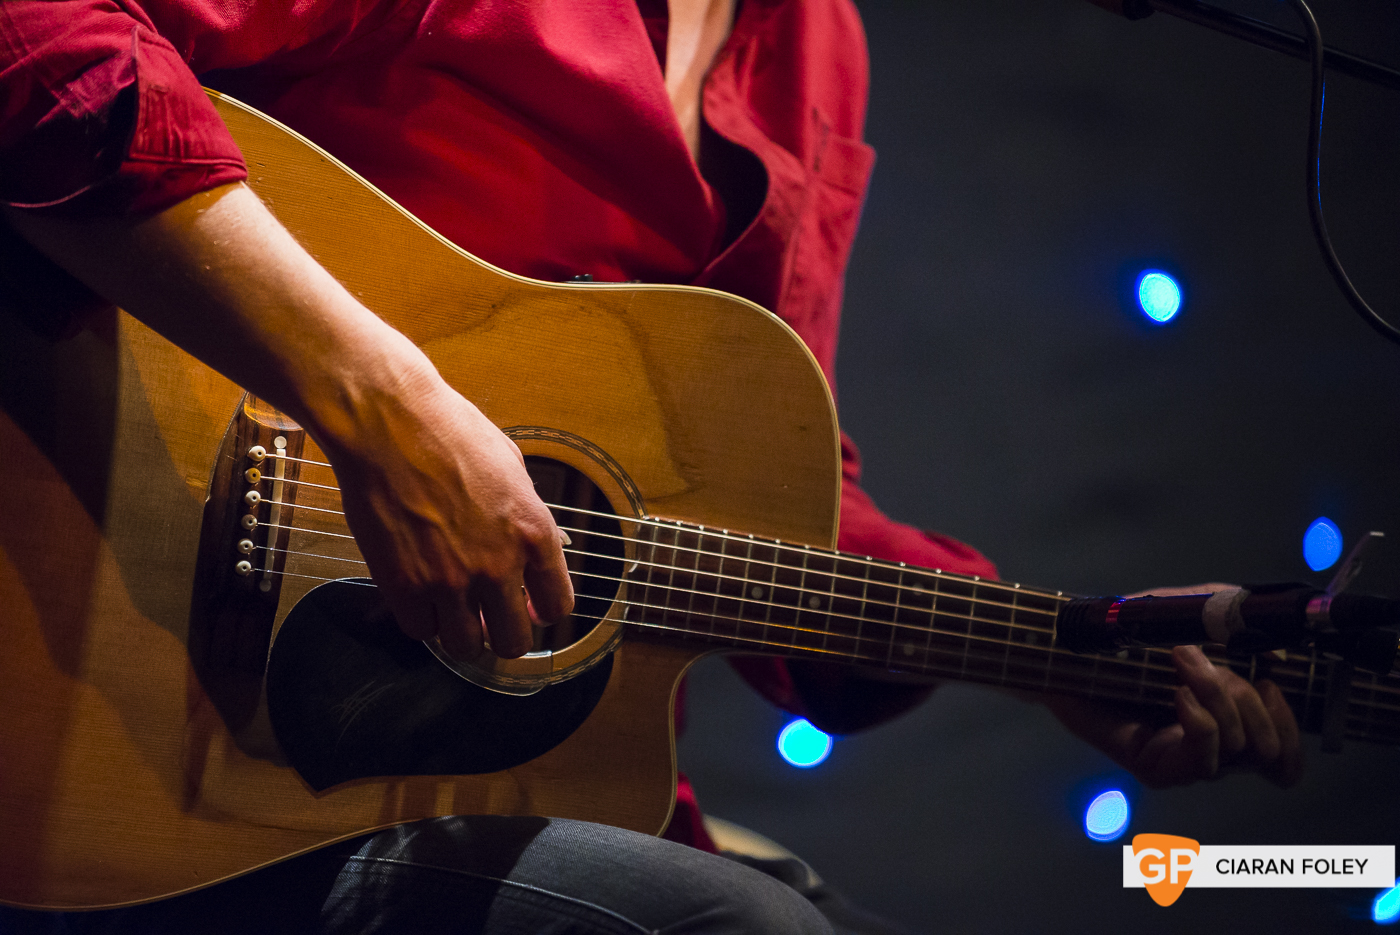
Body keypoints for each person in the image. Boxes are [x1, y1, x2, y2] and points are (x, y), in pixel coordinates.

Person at [0, 1, 1302, 931]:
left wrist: (1065, 650)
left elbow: (757, 481)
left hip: (436, 772)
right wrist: (380, 407)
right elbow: (36, 37)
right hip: (156, 735)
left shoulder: (814, 41)